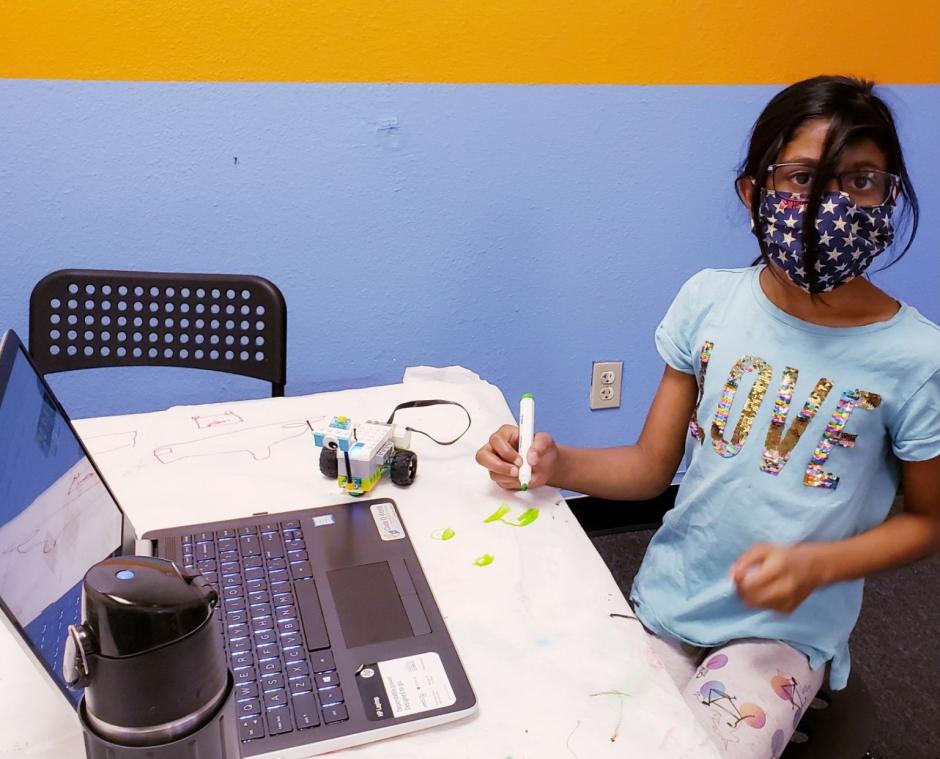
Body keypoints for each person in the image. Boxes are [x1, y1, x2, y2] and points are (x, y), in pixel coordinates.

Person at [475, 75, 940, 759]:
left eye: (860, 181)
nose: (832, 205)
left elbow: (928, 519)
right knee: (579, 731)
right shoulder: (708, 303)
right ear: (754, 194)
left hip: (782, 633)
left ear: (889, 195)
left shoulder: (916, 356)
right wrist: (556, 462)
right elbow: (649, 466)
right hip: (669, 600)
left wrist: (820, 563)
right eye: (804, 178)